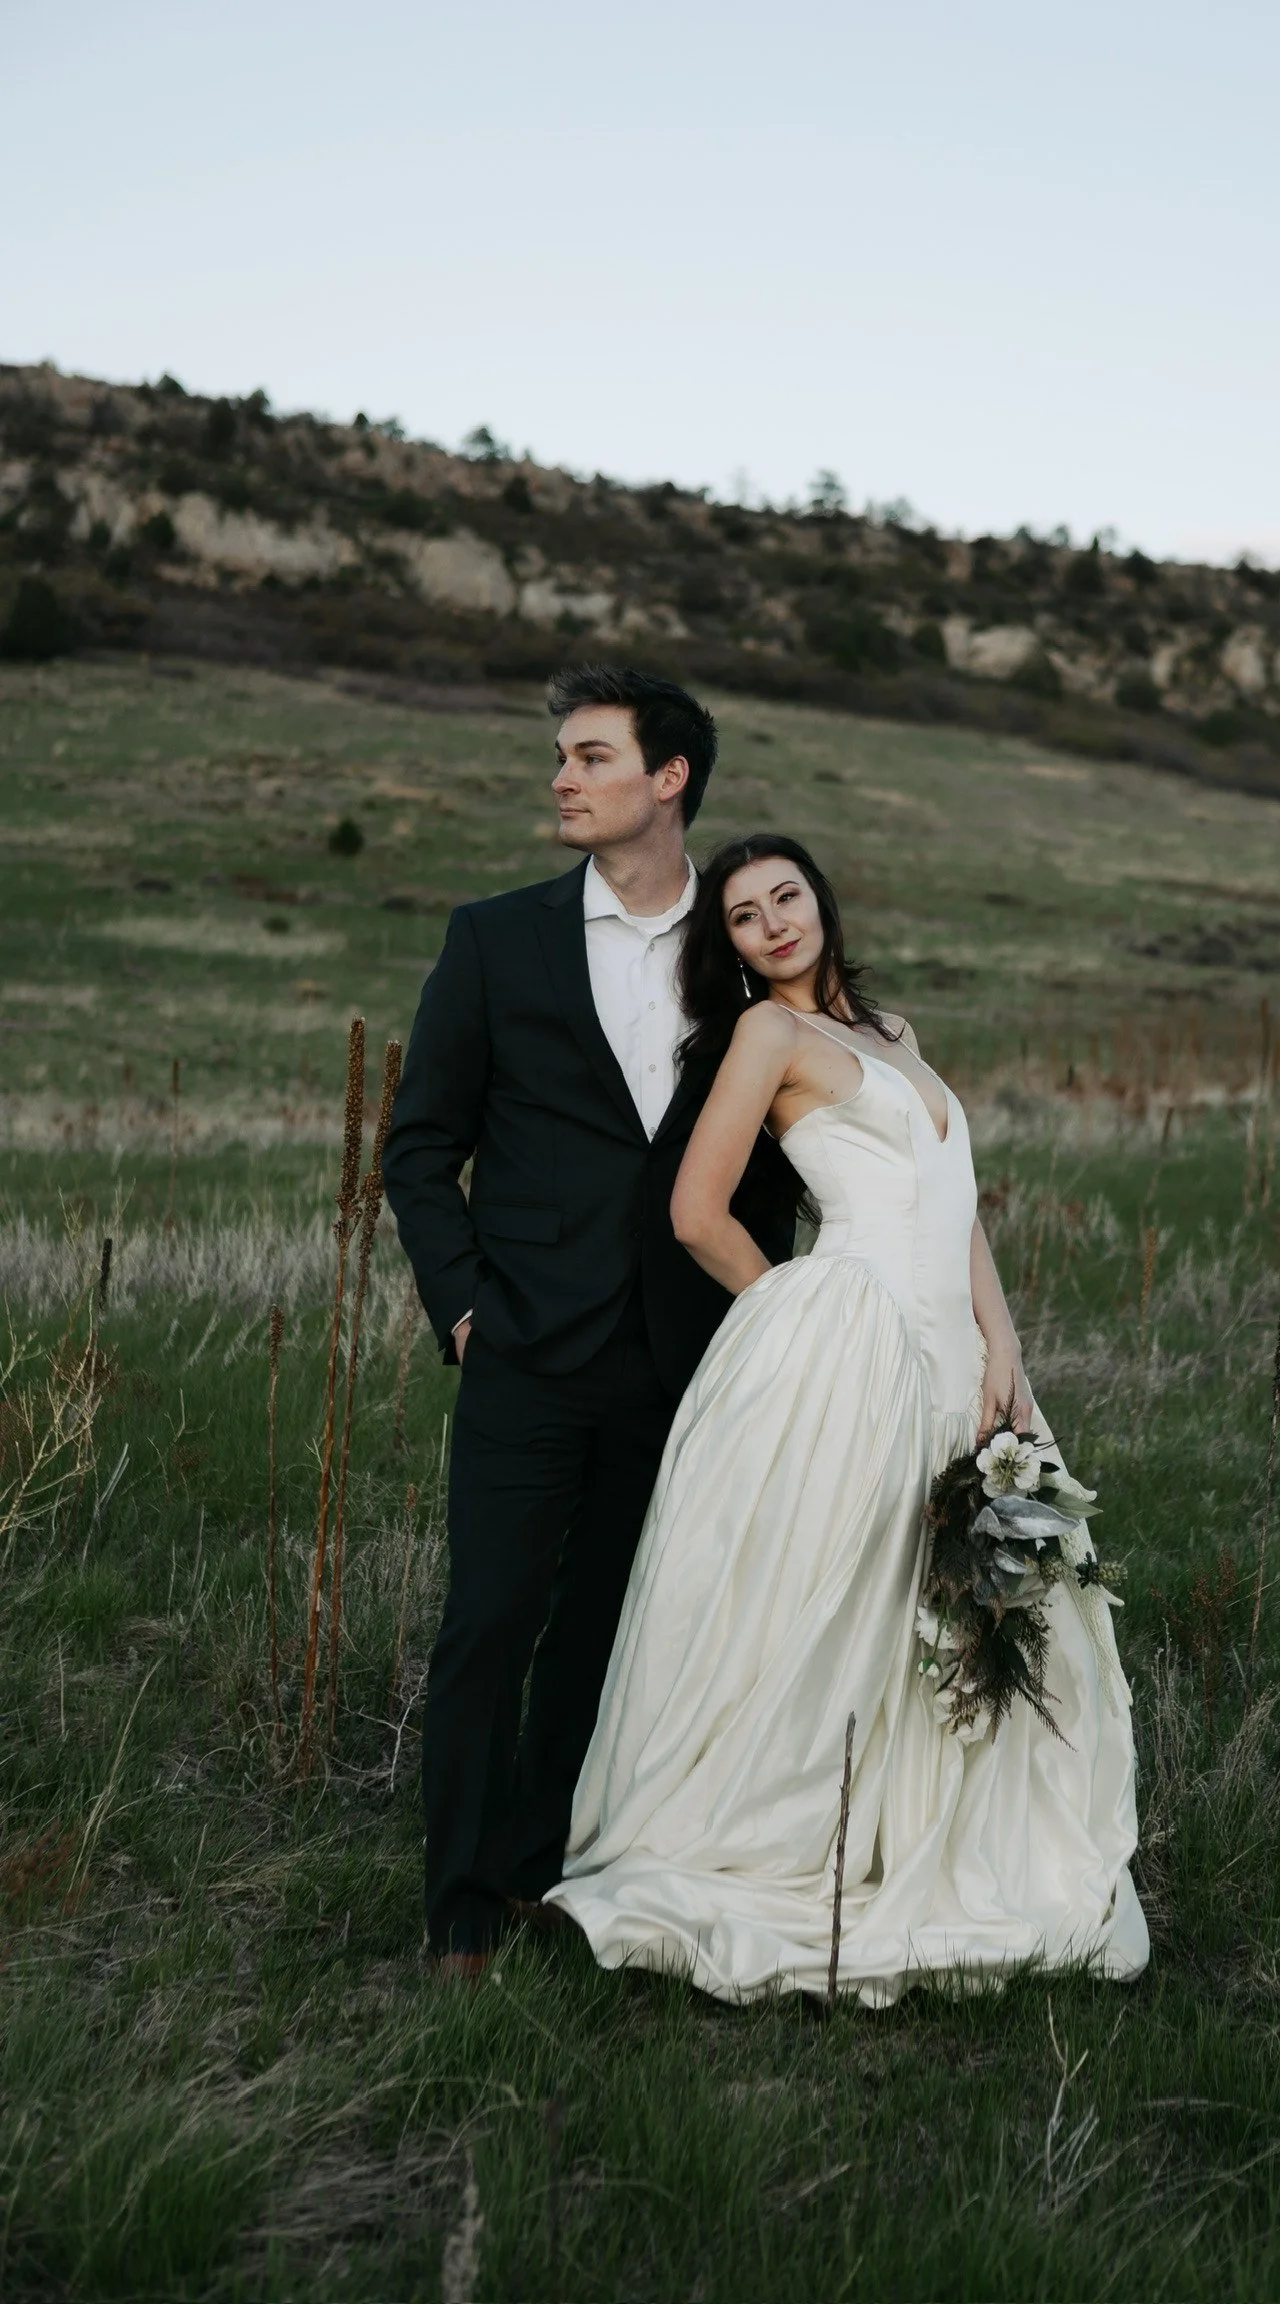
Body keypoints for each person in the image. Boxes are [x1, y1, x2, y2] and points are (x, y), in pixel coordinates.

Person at [548, 835, 1148, 2001]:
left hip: (956, 1347)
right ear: (727, 946)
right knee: (854, 1584)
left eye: (786, 896)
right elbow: (693, 1210)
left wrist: (1004, 1344)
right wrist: (800, 1309)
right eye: (742, 916)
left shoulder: (893, 1035)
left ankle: (945, 1820)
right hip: (855, 1338)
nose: (773, 922)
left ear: (819, 901)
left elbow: (955, 1204)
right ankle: (807, 1831)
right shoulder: (768, 1036)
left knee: (976, 1583)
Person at [383, 669, 798, 1974]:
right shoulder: (493, 940)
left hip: (673, 1361)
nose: (561, 777)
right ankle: (454, 1904)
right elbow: (419, 1148)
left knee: (605, 1629)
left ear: (669, 779)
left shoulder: (740, 966)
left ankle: (531, 1864)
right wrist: (461, 1311)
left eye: (591, 756)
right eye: (560, 756)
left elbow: (768, 1173)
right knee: (489, 1620)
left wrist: (761, 1326)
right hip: (518, 1347)